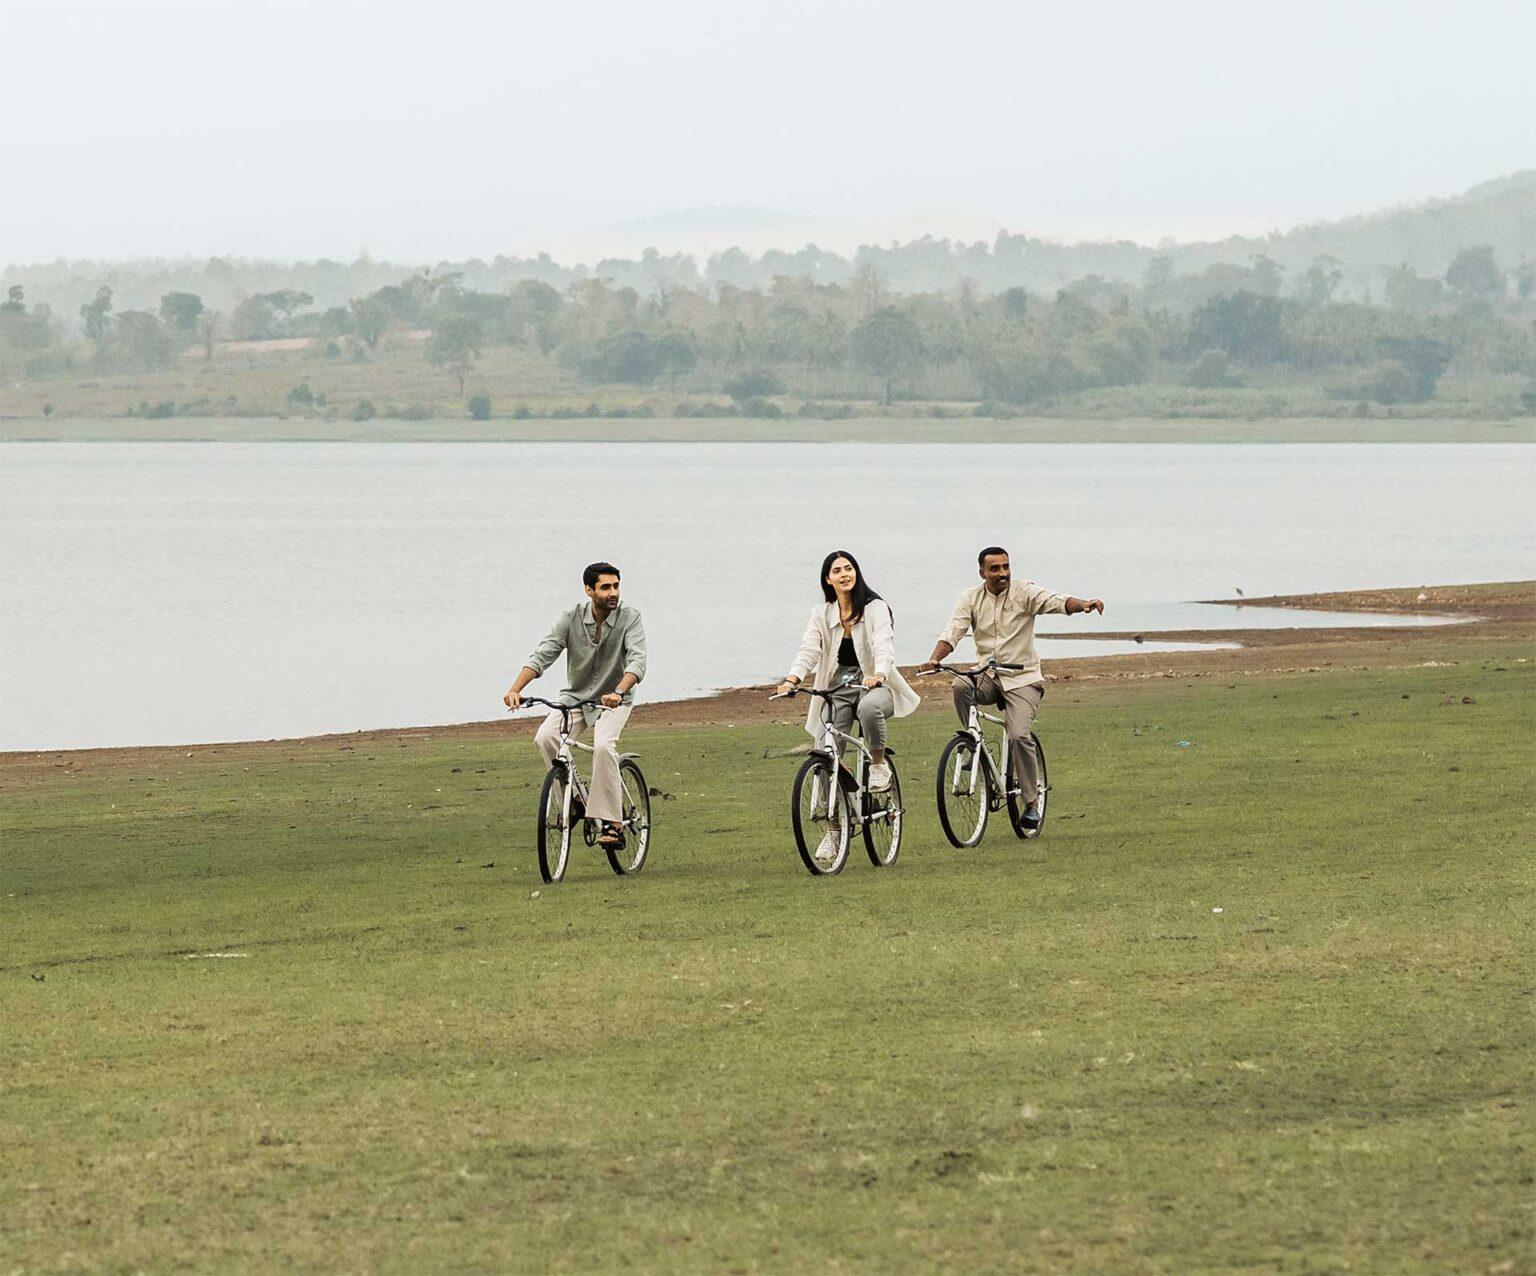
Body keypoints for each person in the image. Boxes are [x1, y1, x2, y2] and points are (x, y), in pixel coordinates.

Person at [921, 547, 1104, 829]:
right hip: (988, 674)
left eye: (1006, 567)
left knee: (1018, 735)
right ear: (982, 572)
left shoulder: (1024, 592)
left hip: (1023, 678)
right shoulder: (970, 598)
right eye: (995, 569)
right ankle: (975, 745)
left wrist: (1084, 605)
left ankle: (1031, 803)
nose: (1002, 573)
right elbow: (953, 631)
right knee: (960, 685)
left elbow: (1056, 601)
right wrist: (936, 659)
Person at [777, 550, 920, 861]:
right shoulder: (822, 613)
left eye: (849, 568)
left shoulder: (875, 608)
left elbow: (884, 644)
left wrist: (879, 674)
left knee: (869, 709)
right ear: (828, 579)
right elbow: (808, 650)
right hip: (839, 683)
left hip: (875, 682)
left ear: (856, 572)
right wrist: (792, 678)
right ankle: (833, 829)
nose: (844, 574)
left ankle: (879, 764)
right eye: (837, 570)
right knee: (826, 748)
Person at [503, 562, 647, 851]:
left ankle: (612, 823)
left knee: (604, 746)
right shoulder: (570, 618)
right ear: (588, 590)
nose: (613, 593)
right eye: (605, 587)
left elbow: (637, 662)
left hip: (614, 700)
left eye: (616, 586)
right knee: (545, 737)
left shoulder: (630, 618)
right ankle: (575, 803)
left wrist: (619, 691)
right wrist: (516, 689)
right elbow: (544, 654)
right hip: (576, 698)